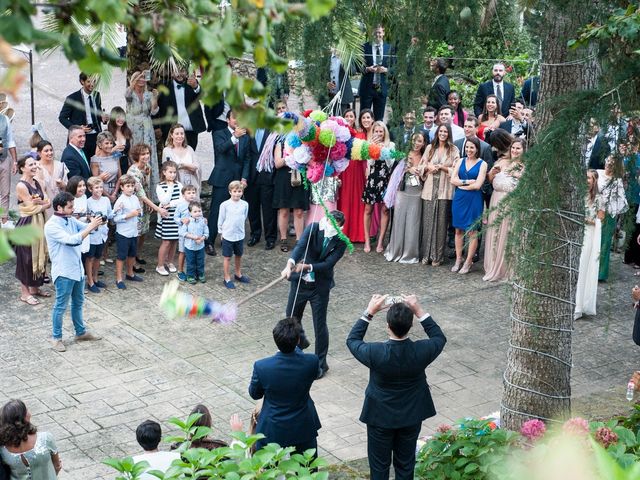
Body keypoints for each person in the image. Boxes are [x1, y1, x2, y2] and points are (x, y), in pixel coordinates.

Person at [346, 294, 446, 480]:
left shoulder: (375, 353)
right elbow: (439, 338)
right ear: (411, 325)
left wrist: (369, 312)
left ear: (388, 327)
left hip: (379, 416)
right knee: (406, 464)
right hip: (411, 415)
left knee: (379, 467)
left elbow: (352, 340)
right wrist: (419, 310)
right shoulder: (421, 350)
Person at [282, 211, 348, 379]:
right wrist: (290, 264)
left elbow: (328, 264)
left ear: (339, 227)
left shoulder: (341, 241)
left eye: (334, 224)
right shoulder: (313, 228)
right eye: (328, 221)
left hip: (319, 287)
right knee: (291, 319)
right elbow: (300, 246)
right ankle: (297, 346)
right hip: (300, 284)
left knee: (320, 325)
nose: (329, 225)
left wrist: (308, 267)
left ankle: (320, 363)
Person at [248, 317, 322, 452]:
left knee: (268, 469)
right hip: (303, 425)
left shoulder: (262, 366)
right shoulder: (311, 361)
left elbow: (255, 394)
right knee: (307, 469)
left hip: (273, 427)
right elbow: (316, 373)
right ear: (298, 340)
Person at [44, 192, 102, 351]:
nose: (73, 209)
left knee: (78, 303)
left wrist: (97, 222)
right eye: (70, 207)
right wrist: (91, 225)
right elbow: (72, 241)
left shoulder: (70, 219)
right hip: (63, 272)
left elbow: (87, 229)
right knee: (60, 306)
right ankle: (56, 338)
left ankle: (80, 332)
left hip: (77, 270)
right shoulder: (51, 225)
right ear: (59, 208)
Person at [206, 110, 250, 257]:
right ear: (228, 120)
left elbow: (247, 159)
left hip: (237, 180)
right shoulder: (219, 133)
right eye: (234, 117)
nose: (237, 120)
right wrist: (234, 138)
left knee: (234, 212)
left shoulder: (245, 137)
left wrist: (244, 178)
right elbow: (220, 149)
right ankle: (209, 242)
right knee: (216, 211)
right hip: (222, 178)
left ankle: (229, 240)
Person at [483, 138, 525, 282]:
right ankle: (493, 264)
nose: (514, 151)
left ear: (524, 150)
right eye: (513, 148)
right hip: (496, 201)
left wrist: (517, 175)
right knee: (495, 233)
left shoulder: (525, 166)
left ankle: (507, 268)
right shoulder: (501, 162)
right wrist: (492, 174)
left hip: (512, 203)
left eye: (518, 148)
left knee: (507, 234)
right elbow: (490, 180)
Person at [419, 124, 460, 266]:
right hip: (430, 189)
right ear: (437, 133)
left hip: (444, 190)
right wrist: (427, 167)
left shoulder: (454, 150)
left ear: (449, 134)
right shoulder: (430, 148)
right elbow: (420, 166)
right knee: (428, 222)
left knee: (441, 223)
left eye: (445, 131)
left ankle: (437, 256)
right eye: (440, 131)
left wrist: (442, 167)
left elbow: (456, 169)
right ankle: (426, 255)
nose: (443, 134)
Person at [384, 132, 426, 263]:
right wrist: (409, 169)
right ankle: (396, 251)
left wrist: (421, 171)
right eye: (414, 140)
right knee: (399, 221)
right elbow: (395, 174)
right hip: (403, 192)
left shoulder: (425, 156)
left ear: (424, 143)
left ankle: (410, 254)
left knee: (414, 223)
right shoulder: (404, 155)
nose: (416, 143)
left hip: (417, 192)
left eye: (419, 141)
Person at [14, 155, 50, 306]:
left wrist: (39, 203)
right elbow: (30, 208)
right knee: (26, 258)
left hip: (40, 222)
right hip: (27, 225)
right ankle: (24, 293)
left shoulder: (38, 182)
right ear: (22, 168)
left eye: (35, 164)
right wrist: (40, 204)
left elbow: (48, 202)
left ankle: (35, 288)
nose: (35, 166)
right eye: (31, 165)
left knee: (39, 254)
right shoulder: (21, 186)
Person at [128, 144, 169, 270]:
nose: (146, 156)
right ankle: (132, 261)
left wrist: (150, 200)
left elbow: (148, 187)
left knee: (144, 232)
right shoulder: (133, 173)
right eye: (143, 154)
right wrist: (157, 208)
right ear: (136, 156)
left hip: (145, 204)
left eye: (147, 153)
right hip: (135, 205)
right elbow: (141, 194)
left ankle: (137, 254)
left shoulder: (147, 167)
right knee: (136, 233)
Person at [450, 137, 487, 274]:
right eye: (467, 147)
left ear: (477, 148)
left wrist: (461, 184)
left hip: (474, 200)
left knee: (472, 232)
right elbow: (453, 180)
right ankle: (458, 259)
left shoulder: (482, 164)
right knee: (458, 230)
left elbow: (478, 185)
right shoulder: (460, 161)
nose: (469, 150)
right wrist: (466, 182)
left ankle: (468, 261)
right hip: (459, 199)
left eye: (472, 147)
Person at [0, 399, 62, 479]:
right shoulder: (45, 438)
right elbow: (57, 465)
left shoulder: (3, 449)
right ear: (24, 417)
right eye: (27, 410)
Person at [337, 109, 370, 244]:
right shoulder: (338, 134)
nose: (349, 118)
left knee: (357, 199)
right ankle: (343, 232)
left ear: (355, 118)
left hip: (357, 170)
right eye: (347, 116)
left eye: (351, 116)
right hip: (343, 170)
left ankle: (358, 233)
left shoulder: (360, 135)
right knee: (344, 199)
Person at [574, 170, 604, 320]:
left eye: (589, 178)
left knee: (582, 268)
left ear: (594, 181)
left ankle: (578, 306)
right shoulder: (577, 194)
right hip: (576, 233)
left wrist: (584, 219)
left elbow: (600, 220)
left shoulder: (598, 198)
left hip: (589, 234)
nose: (586, 180)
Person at [126, 69, 160, 200]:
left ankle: (152, 193)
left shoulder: (148, 94)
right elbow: (127, 95)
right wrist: (136, 77)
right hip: (133, 126)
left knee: (148, 153)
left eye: (143, 78)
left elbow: (154, 111)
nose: (141, 80)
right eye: (138, 78)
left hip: (147, 126)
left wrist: (155, 98)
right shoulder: (130, 93)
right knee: (135, 152)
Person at [272, 133, 308, 253]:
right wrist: (291, 157)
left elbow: (308, 161)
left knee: (299, 211)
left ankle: (299, 240)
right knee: (283, 210)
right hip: (283, 178)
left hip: (300, 177)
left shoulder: (303, 143)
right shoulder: (280, 142)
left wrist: (301, 157)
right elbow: (277, 163)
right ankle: (283, 239)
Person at [156, 67, 207, 150]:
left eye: (182, 71)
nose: (179, 74)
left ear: (186, 72)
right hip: (172, 132)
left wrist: (196, 86)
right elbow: (159, 108)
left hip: (191, 130)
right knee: (174, 159)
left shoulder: (191, 83)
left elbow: (203, 96)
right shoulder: (164, 86)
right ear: (172, 73)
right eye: (176, 71)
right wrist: (158, 127)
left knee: (190, 156)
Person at [58, 72, 107, 159]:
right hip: (80, 138)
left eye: (94, 81)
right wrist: (77, 128)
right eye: (89, 81)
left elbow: (97, 114)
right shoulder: (72, 98)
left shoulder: (97, 95)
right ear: (82, 82)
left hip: (97, 137)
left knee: (96, 164)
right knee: (83, 164)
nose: (92, 84)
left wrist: (103, 119)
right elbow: (62, 118)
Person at [362, 121, 394, 253]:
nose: (379, 133)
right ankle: (367, 241)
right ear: (373, 132)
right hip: (372, 180)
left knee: (385, 210)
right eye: (376, 131)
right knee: (368, 209)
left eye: (381, 131)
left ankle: (381, 241)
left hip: (385, 180)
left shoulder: (391, 145)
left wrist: (383, 149)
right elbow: (369, 162)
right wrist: (373, 148)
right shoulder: (369, 144)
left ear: (385, 132)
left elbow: (390, 164)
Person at [246, 124, 277, 250]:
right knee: (252, 208)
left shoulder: (273, 130)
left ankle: (270, 238)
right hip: (250, 175)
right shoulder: (247, 129)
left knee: (268, 209)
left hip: (267, 174)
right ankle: (255, 234)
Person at [597, 157, 628, 281]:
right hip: (594, 212)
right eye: (607, 162)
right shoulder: (597, 173)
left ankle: (601, 274)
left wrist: (609, 210)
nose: (608, 165)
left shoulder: (617, 182)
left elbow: (621, 202)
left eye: (611, 164)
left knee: (604, 244)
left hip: (608, 215)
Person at [113, 174, 144, 289]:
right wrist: (129, 215)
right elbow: (115, 219)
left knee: (132, 254)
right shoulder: (120, 201)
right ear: (122, 187)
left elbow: (139, 211)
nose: (130, 188)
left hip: (134, 232)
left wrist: (139, 212)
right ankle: (119, 278)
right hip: (123, 233)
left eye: (132, 186)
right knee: (121, 256)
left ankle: (130, 273)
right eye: (128, 186)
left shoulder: (135, 198)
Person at [218, 181, 249, 289]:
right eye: (234, 191)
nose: (237, 194)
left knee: (239, 255)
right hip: (228, 235)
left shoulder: (245, 204)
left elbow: (244, 217)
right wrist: (220, 232)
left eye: (239, 191)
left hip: (239, 235)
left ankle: (238, 274)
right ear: (230, 192)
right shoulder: (225, 205)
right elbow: (221, 219)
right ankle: (226, 277)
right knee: (227, 257)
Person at [359, 25, 393, 121]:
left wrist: (386, 70)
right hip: (367, 88)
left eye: (379, 32)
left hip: (382, 89)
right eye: (375, 33)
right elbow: (357, 67)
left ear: (383, 33)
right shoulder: (364, 47)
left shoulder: (390, 48)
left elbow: (395, 68)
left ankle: (378, 135)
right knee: (364, 118)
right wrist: (367, 69)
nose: (377, 35)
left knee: (379, 119)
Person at [155, 161, 183, 276]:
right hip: (167, 217)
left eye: (174, 172)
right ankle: (160, 265)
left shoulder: (179, 185)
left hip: (176, 217)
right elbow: (164, 200)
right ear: (164, 172)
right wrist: (170, 188)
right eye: (170, 172)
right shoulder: (160, 186)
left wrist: (171, 204)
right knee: (166, 242)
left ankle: (170, 262)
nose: (172, 175)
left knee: (174, 241)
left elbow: (181, 200)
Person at [86, 177, 113, 293]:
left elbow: (110, 214)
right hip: (92, 235)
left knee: (98, 257)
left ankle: (96, 278)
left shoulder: (106, 200)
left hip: (102, 233)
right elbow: (86, 216)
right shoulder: (88, 202)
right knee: (90, 258)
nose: (99, 190)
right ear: (90, 189)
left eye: (101, 187)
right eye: (96, 187)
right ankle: (90, 281)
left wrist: (117, 210)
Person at [162, 124, 202, 197]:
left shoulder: (189, 149)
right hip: (176, 184)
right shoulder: (167, 151)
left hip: (191, 184)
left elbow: (197, 166)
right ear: (171, 135)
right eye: (177, 134)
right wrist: (189, 166)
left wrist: (183, 165)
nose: (180, 136)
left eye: (182, 133)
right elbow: (167, 168)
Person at [35, 140, 68, 218]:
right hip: (44, 204)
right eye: (46, 151)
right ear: (39, 153)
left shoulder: (60, 165)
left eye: (51, 150)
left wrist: (62, 185)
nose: (50, 153)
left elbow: (67, 185)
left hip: (60, 203)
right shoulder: (36, 167)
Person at [178, 201, 209, 284]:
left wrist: (202, 239)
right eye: (195, 211)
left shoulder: (203, 221)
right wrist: (193, 237)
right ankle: (190, 275)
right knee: (190, 262)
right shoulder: (188, 222)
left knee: (200, 261)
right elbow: (182, 233)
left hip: (200, 246)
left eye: (199, 211)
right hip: (190, 247)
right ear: (190, 212)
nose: (198, 213)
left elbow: (206, 233)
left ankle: (200, 274)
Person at [173, 184, 198, 281]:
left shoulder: (196, 204)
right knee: (182, 252)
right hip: (184, 234)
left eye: (193, 193)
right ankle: (180, 271)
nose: (191, 195)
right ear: (183, 195)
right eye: (189, 193)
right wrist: (181, 220)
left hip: (195, 233)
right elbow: (175, 218)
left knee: (193, 252)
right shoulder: (181, 205)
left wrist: (203, 219)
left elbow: (199, 214)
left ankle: (192, 271)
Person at [90, 131, 122, 204]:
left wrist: (114, 193)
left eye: (111, 143)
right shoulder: (95, 160)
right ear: (100, 145)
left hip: (115, 191)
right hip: (101, 192)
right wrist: (109, 196)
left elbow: (119, 177)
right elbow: (96, 181)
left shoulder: (116, 157)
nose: (110, 146)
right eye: (107, 143)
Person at [0, 111, 18, 229]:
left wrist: (15, 161)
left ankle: (4, 220)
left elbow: (10, 140)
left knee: (5, 192)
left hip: (4, 158)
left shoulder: (4, 119)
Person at [327, 46, 354, 115]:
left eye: (338, 45)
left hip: (343, 95)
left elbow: (353, 71)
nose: (336, 48)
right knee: (327, 120)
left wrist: (343, 59)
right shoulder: (326, 58)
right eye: (334, 45)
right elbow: (320, 75)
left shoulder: (346, 58)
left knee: (342, 119)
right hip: (329, 95)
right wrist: (326, 83)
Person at [107, 106, 133, 174]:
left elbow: (129, 153)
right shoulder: (107, 133)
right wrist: (114, 149)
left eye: (123, 117)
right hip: (112, 167)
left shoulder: (127, 132)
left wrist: (134, 166)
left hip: (125, 166)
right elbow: (101, 155)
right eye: (118, 117)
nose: (121, 119)